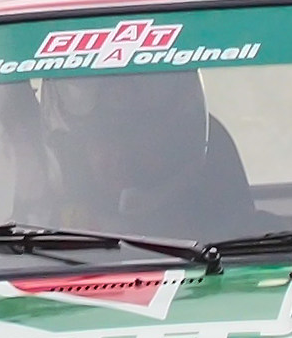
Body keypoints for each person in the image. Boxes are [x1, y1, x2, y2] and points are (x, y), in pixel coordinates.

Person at [35, 69, 259, 240]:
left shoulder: (224, 229)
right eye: (105, 142)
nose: (120, 158)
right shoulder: (38, 236)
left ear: (176, 146)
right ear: (78, 151)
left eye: (135, 139)